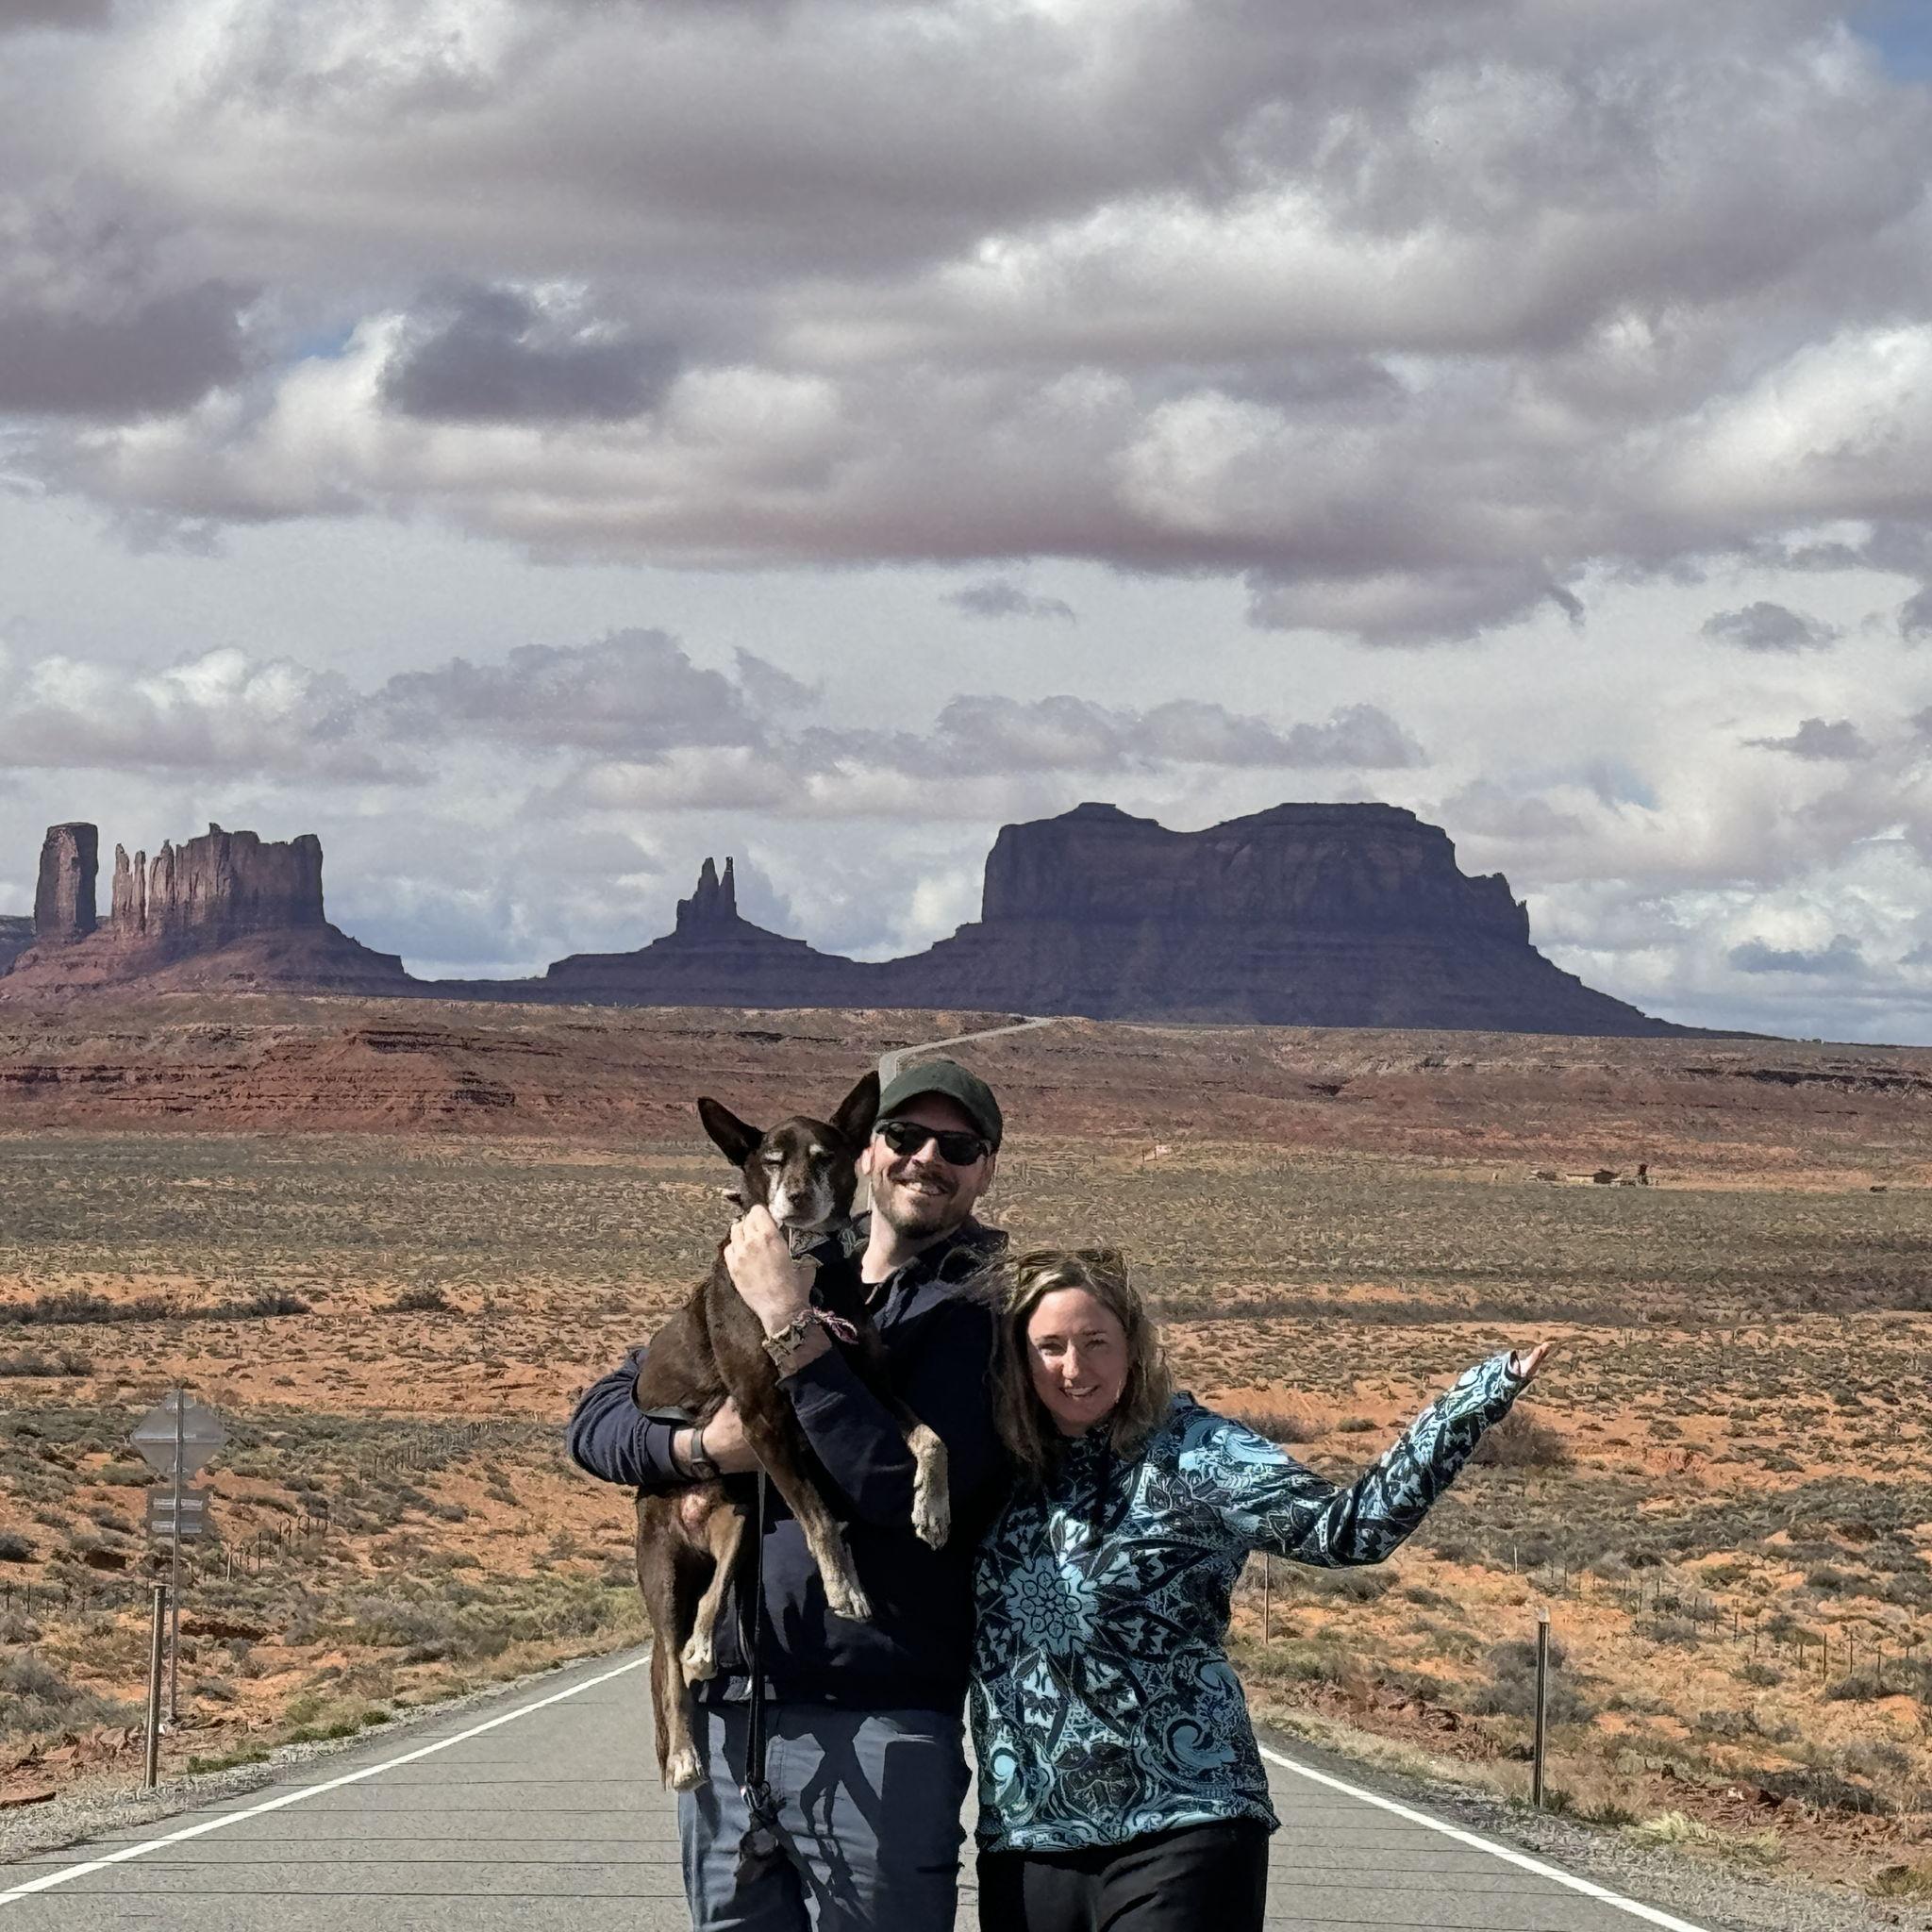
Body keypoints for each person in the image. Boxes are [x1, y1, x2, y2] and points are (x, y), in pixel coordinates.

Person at [970, 1247, 1554, 1932]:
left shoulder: (1198, 1453)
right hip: (1026, 1836)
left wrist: (1468, 1405)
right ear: (1020, 1359)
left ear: (1133, 1346)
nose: (1075, 1368)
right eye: (1051, 1346)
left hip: (1184, 1821)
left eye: (1096, 1342)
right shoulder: (991, 1468)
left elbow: (1347, 1530)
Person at [567, 1058, 1010, 1932]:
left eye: (957, 1146)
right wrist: (697, 1448)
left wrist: (788, 1324)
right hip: (731, 1716)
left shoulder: (988, 1312)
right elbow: (598, 1421)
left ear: (985, 1169)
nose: (927, 1158)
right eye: (905, 1136)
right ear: (868, 1152)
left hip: (877, 1720)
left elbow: (891, 1488)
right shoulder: (773, 1269)